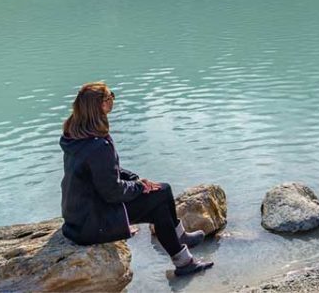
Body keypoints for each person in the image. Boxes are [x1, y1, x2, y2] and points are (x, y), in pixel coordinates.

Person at [59, 81, 213, 277]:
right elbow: (112, 192)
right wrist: (139, 187)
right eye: (109, 97)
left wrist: (135, 179)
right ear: (100, 106)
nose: (112, 101)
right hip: (92, 222)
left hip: (80, 214)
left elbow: (103, 171)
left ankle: (180, 242)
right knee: (159, 202)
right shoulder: (97, 145)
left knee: (162, 190)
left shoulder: (76, 134)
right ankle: (183, 260)